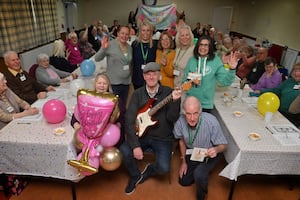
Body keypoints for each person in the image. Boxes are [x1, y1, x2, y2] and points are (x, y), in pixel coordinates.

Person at [119, 62, 182, 195]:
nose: (151, 76)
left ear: (159, 75)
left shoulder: (169, 93)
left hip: (163, 137)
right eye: (148, 74)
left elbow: (172, 118)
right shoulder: (137, 94)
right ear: (144, 76)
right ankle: (135, 175)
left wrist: (176, 102)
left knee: (164, 168)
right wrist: (135, 146)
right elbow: (129, 121)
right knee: (124, 150)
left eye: (154, 73)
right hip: (142, 135)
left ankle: (150, 169)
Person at [173, 96, 227, 200]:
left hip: (210, 153)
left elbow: (224, 146)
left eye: (195, 113)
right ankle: (200, 170)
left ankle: (201, 196)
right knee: (183, 181)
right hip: (193, 152)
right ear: (184, 113)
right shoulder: (180, 122)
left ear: (200, 112)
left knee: (199, 174)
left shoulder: (211, 121)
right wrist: (183, 162)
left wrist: (216, 150)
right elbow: (182, 141)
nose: (192, 118)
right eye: (188, 114)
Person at [183, 35, 238, 112]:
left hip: (206, 104)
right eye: (201, 45)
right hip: (190, 102)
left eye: (206, 45)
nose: (203, 48)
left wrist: (232, 69)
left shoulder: (216, 61)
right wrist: (190, 80)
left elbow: (225, 82)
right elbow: (184, 82)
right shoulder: (191, 61)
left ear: (210, 47)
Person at [71, 73, 126, 147]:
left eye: (104, 83)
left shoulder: (115, 100)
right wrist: (78, 127)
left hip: (108, 138)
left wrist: (117, 126)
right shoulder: (88, 99)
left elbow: (123, 117)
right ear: (95, 84)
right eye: (99, 83)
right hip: (90, 138)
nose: (102, 86)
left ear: (108, 86)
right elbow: (75, 117)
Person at [94, 25, 132, 106]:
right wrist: (103, 48)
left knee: (122, 106)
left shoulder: (129, 47)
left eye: (126, 34)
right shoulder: (110, 45)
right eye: (122, 33)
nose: (124, 36)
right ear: (118, 33)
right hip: (114, 83)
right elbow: (97, 58)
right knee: (113, 107)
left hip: (126, 82)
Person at [258, 62, 300, 127]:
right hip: (278, 112)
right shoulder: (289, 81)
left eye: (299, 71)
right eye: (295, 70)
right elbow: (276, 90)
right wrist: (260, 91)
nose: (296, 73)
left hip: (293, 118)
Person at [131, 21, 158, 89]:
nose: (145, 33)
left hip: (151, 79)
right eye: (143, 30)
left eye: (148, 30)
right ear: (140, 31)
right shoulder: (135, 44)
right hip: (137, 79)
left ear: (151, 32)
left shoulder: (155, 45)